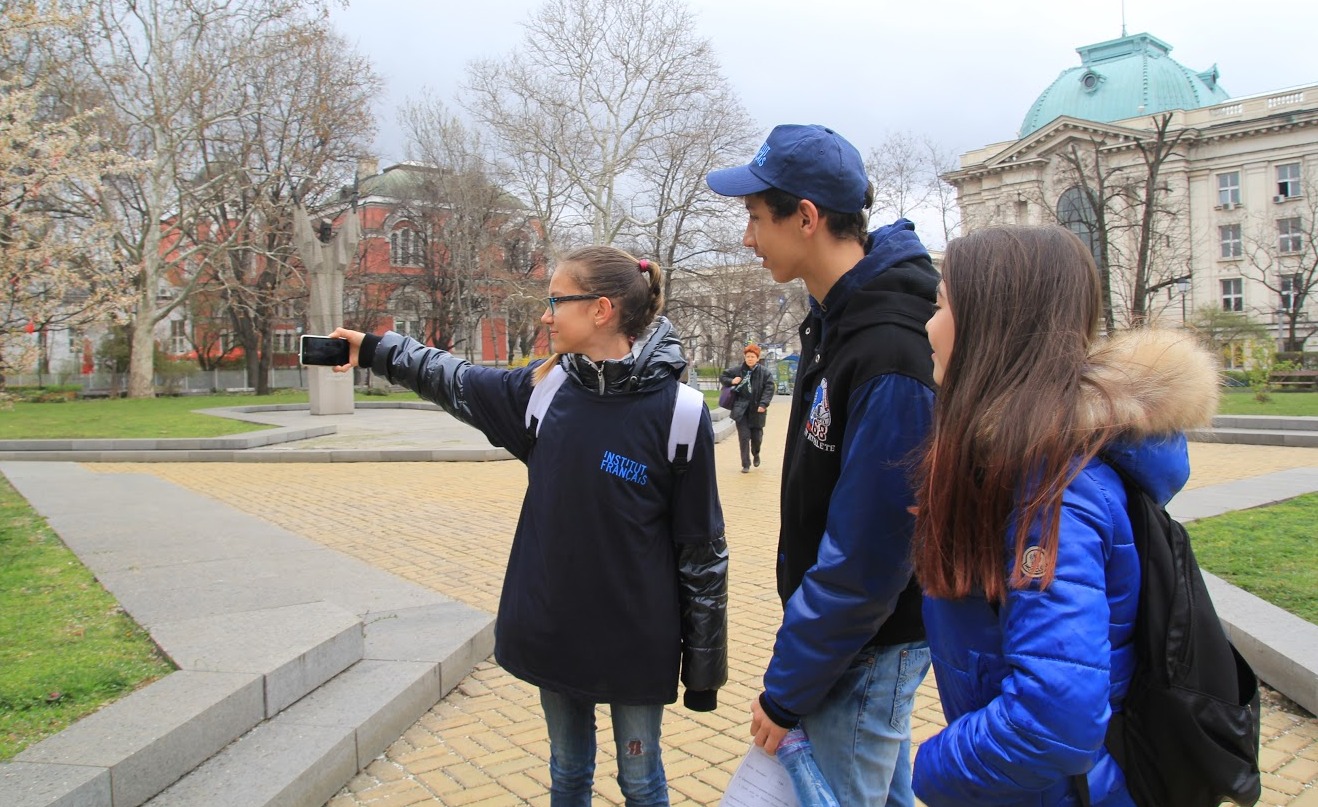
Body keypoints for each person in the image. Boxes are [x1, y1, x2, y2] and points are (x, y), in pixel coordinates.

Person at [327, 246, 729, 807]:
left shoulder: (679, 412)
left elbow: (702, 549)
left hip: (637, 640)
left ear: (601, 310)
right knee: (568, 772)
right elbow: (454, 377)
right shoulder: (544, 391)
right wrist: (375, 349)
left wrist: (704, 671)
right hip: (555, 627)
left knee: (641, 782)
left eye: (556, 300)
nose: (545, 314)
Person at [909, 225, 1219, 806]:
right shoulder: (1019, 465)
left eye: (942, 304)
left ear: (994, 325)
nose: (928, 325)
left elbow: (1051, 721)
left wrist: (929, 770)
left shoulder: (1052, 492)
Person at [705, 123, 938, 805]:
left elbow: (869, 557)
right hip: (849, 643)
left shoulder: (888, 346)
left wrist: (787, 689)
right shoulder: (838, 318)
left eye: (756, 217)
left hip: (863, 647)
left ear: (806, 218)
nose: (748, 237)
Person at [721, 343, 775, 473]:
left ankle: (756, 453)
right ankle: (745, 464)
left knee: (757, 438)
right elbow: (723, 376)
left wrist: (763, 404)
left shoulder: (765, 373)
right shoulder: (738, 370)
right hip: (741, 410)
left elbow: (769, 389)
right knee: (744, 437)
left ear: (757, 358)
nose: (750, 359)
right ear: (745, 357)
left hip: (757, 410)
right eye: (748, 356)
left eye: (752, 357)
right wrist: (732, 381)